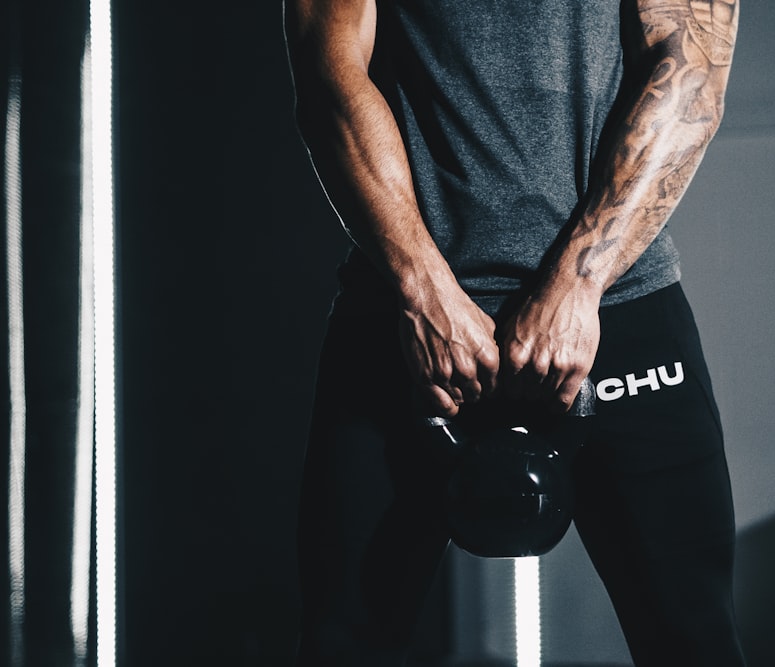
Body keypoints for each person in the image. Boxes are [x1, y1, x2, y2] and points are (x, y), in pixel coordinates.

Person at [284, 0, 744, 664]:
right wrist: (422, 286)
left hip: (612, 308)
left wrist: (579, 285)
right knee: (342, 646)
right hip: (410, 316)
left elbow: (693, 66)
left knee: (695, 641)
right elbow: (327, 67)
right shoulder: (416, 299)